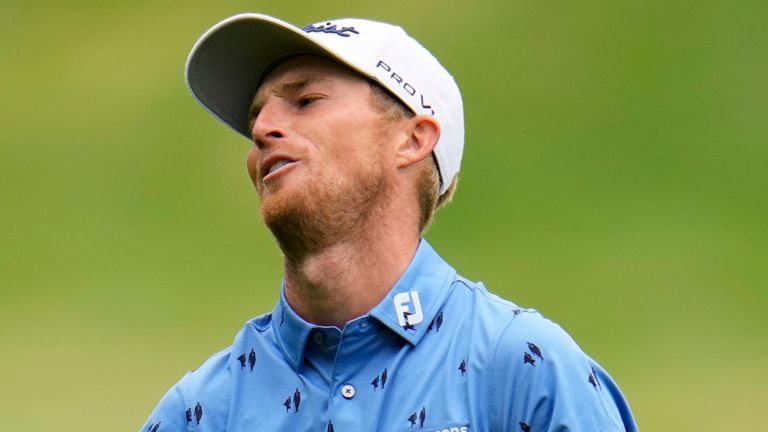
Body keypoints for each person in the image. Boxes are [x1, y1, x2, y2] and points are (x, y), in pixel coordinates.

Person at [142, 13, 638, 431]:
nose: (262, 130)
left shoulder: (523, 368)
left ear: (412, 139)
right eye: (257, 118)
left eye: (305, 101)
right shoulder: (201, 412)